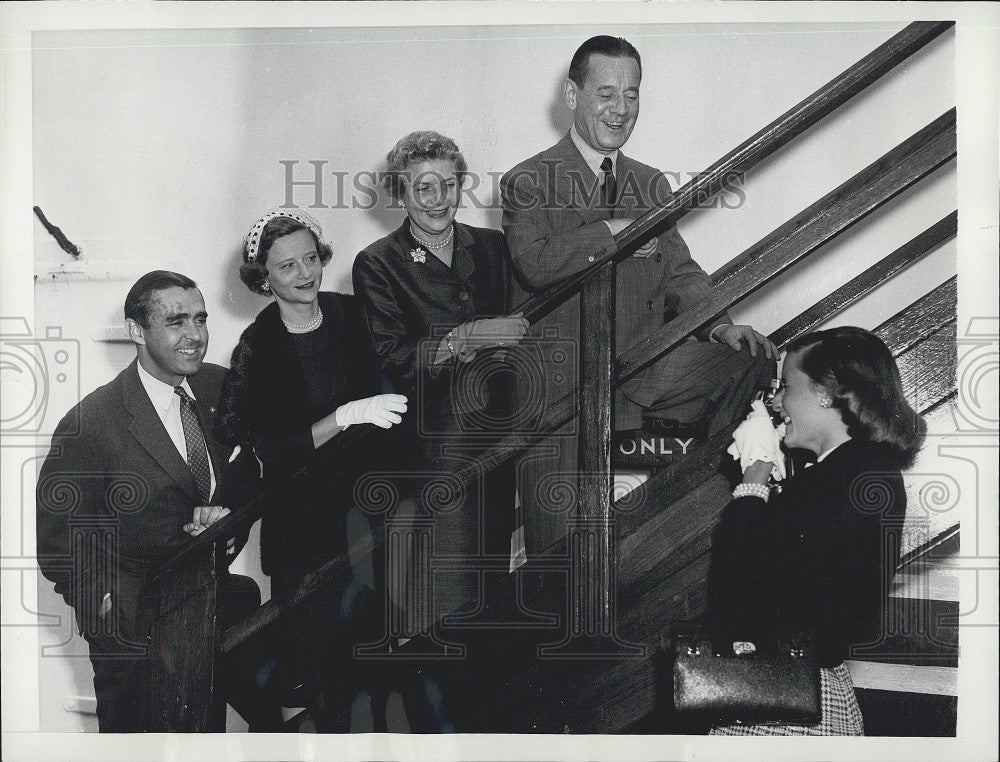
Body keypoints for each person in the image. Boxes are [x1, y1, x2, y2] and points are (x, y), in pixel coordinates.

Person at [500, 35, 776, 556]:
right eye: (607, 93)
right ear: (572, 94)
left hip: (641, 375)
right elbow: (534, 264)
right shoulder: (528, 179)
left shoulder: (651, 184)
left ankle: (697, 492)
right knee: (556, 557)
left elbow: (680, 272)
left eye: (632, 95)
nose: (621, 109)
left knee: (748, 358)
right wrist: (615, 229)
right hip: (562, 392)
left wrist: (721, 325)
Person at [36, 270, 281, 732]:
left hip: (211, 611)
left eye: (200, 319)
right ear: (137, 331)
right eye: (176, 322)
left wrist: (226, 521)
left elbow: (247, 470)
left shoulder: (219, 387)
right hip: (136, 638)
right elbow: (57, 540)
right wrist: (110, 610)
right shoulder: (91, 421)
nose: (195, 336)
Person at [214, 209, 407, 714]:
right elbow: (263, 453)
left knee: (377, 662)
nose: (305, 274)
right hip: (302, 530)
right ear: (263, 278)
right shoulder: (258, 345)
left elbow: (396, 391)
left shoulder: (352, 314)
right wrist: (342, 417)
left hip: (368, 515)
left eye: (310, 259)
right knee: (318, 674)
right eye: (287, 267)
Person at [705, 326, 925, 735]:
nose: (776, 401)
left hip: (789, 703)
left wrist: (754, 478)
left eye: (786, 386)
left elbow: (738, 591)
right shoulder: (856, 471)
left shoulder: (838, 478)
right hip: (809, 690)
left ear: (827, 393)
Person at [353, 131, 529, 628]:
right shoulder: (377, 262)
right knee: (448, 596)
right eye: (423, 187)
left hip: (502, 433)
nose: (438, 199)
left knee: (494, 581)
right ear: (400, 193)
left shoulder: (492, 245)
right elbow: (393, 358)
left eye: (448, 185)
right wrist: (463, 337)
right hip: (436, 447)